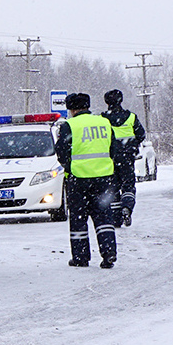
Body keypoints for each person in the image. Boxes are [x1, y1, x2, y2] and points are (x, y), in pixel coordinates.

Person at [53, 92, 120, 268]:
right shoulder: (104, 122)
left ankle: (81, 257)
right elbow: (114, 149)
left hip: (79, 179)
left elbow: (61, 151)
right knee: (104, 217)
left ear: (72, 109)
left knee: (78, 219)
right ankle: (109, 254)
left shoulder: (70, 125)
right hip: (103, 178)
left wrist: (69, 168)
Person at [101, 89, 143, 226]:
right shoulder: (131, 117)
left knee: (112, 188)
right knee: (128, 185)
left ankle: (116, 218)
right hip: (127, 159)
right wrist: (132, 146)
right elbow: (141, 135)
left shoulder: (103, 119)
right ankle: (127, 207)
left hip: (109, 159)